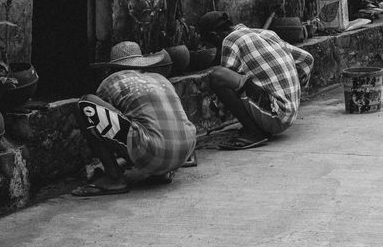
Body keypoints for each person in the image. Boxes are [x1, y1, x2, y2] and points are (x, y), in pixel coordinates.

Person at [73, 41, 197, 197]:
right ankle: (163, 172)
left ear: (113, 67)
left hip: (155, 152)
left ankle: (114, 177)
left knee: (85, 103)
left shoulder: (111, 81)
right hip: (185, 152)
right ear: (141, 63)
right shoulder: (160, 78)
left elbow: (105, 126)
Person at [199, 11, 314, 150]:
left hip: (275, 117)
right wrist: (296, 91)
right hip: (289, 115)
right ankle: (260, 125)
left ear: (214, 36)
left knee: (218, 76)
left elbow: (226, 79)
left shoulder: (230, 40)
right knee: (244, 79)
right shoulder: (266, 34)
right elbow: (307, 59)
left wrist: (218, 109)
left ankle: (254, 133)